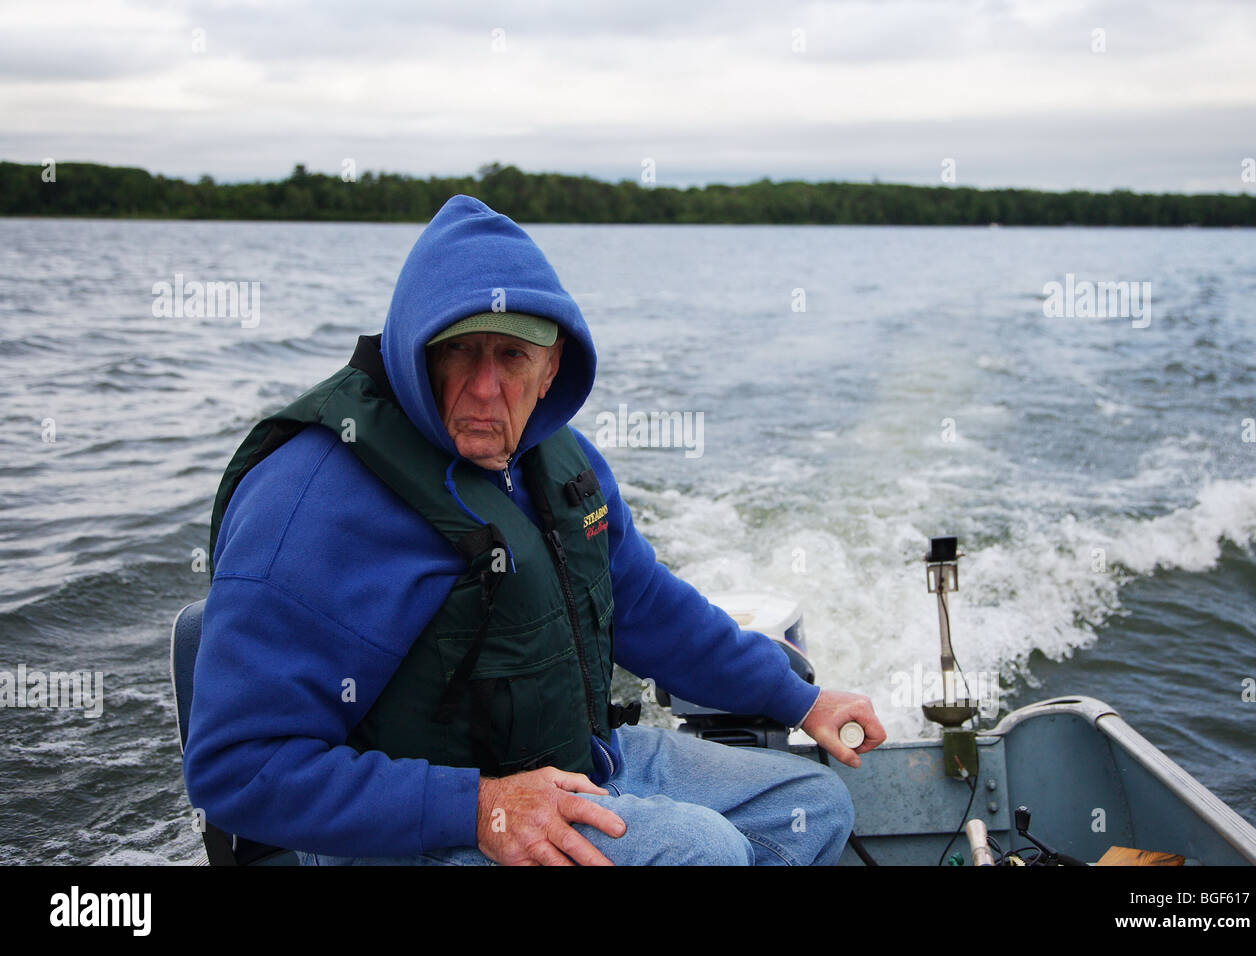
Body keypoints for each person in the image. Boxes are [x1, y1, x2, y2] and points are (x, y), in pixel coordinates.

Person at [183, 195, 886, 866]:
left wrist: (802, 699)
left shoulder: (553, 459)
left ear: (552, 368)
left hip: (575, 765)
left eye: (513, 357)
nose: (487, 389)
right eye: (460, 352)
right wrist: (482, 806)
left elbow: (644, 606)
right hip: (402, 829)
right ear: (412, 351)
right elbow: (238, 768)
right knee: (698, 852)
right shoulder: (312, 501)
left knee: (811, 803)